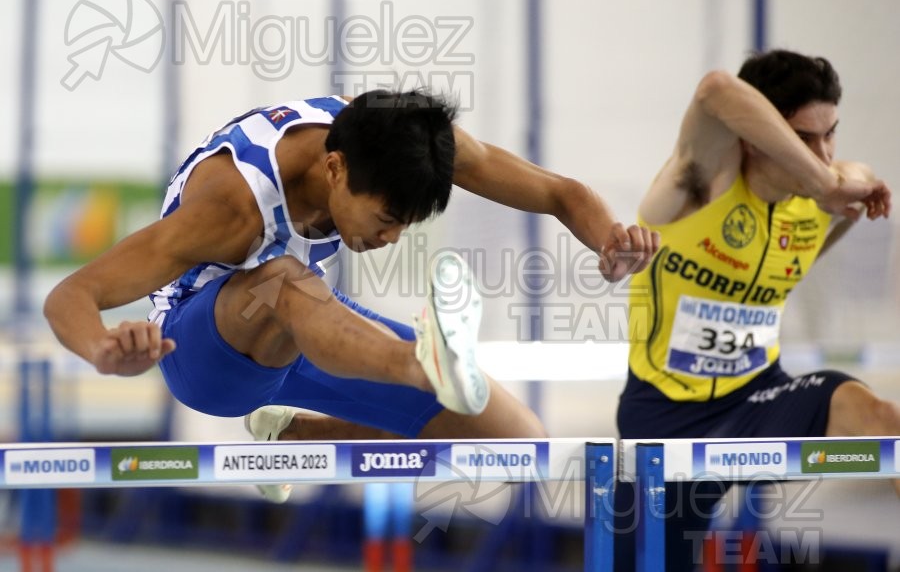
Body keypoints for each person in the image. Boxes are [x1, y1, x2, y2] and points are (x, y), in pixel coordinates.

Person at [44, 90, 659, 501]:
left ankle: (290, 436)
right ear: (335, 169)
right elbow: (73, 293)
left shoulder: (405, 140)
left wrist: (610, 238)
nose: (389, 240)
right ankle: (424, 366)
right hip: (205, 353)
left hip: (309, 333)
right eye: (385, 220)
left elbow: (559, 191)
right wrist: (103, 348)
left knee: (516, 443)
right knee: (284, 279)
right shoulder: (231, 208)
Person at [616, 50, 897, 571]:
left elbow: (852, 171)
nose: (822, 153)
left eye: (830, 134)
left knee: (887, 424)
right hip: (664, 417)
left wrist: (836, 182)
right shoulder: (700, 184)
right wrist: (827, 182)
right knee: (644, 562)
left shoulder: (818, 208)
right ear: (757, 133)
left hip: (759, 401)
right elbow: (716, 90)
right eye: (802, 138)